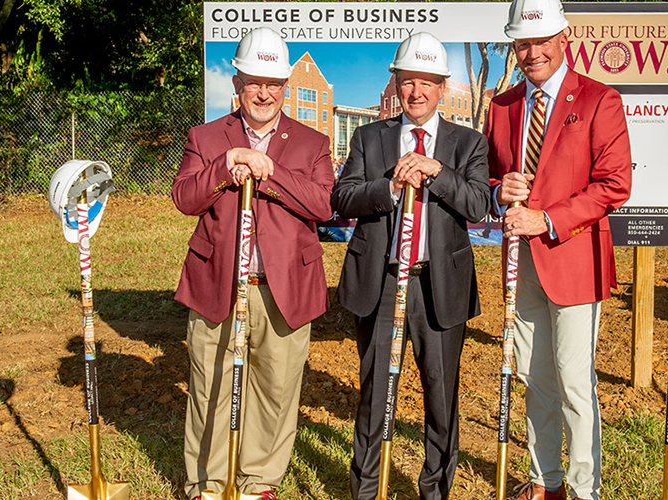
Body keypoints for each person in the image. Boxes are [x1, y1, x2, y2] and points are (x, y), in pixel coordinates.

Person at [171, 27, 334, 500]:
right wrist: (226, 166)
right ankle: (206, 484)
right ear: (238, 84)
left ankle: (258, 483)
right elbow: (184, 197)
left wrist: (270, 172)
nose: (264, 93)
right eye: (254, 82)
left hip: (283, 286)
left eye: (273, 83)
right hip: (218, 282)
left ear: (284, 87)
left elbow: (322, 205)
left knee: (275, 391)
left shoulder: (311, 142)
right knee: (209, 387)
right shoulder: (205, 137)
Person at [331, 32, 491, 500]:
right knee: (375, 396)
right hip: (381, 284)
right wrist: (390, 187)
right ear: (395, 83)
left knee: (441, 399)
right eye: (407, 81)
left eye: (426, 82)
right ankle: (365, 491)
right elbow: (343, 198)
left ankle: (434, 491)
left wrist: (437, 171)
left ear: (442, 86)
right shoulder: (369, 137)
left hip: (438, 287)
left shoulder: (467, 143)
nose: (416, 91)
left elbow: (479, 204)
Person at [485, 0, 632, 498]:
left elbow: (613, 184)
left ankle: (583, 487)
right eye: (523, 44)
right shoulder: (502, 106)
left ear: (562, 39)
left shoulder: (598, 99)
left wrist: (546, 219)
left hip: (573, 260)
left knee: (573, 381)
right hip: (522, 264)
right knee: (533, 376)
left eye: (540, 42)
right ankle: (545, 481)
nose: (532, 53)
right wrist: (497, 191)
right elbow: (489, 177)